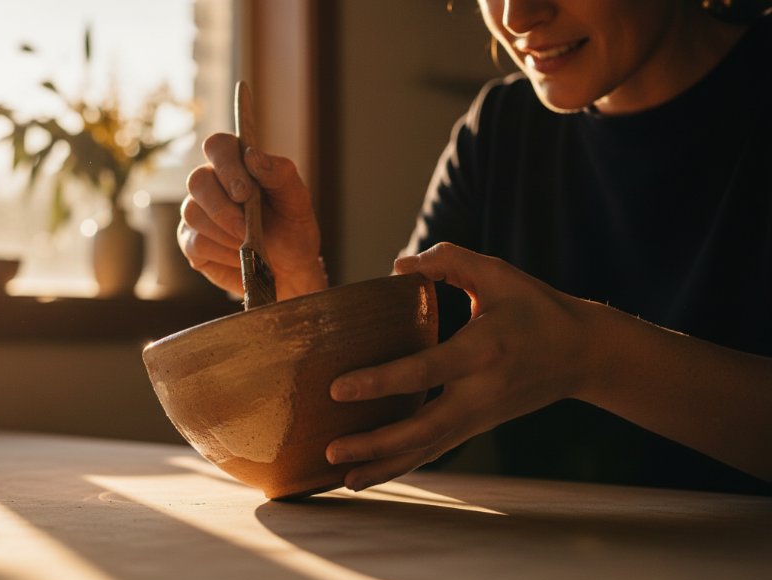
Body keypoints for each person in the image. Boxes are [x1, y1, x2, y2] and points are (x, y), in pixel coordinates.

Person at [178, 0, 772, 495]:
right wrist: (297, 289)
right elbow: (394, 424)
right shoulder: (500, 133)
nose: (517, 14)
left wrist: (590, 356)